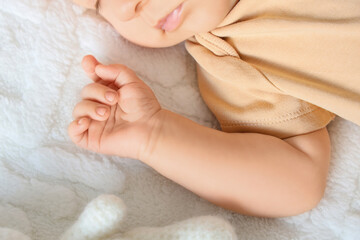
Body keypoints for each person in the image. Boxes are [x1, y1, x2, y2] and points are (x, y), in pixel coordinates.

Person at [68, 0, 360, 218]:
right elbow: (300, 181)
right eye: (98, 3)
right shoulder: (227, 53)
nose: (125, 8)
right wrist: (153, 136)